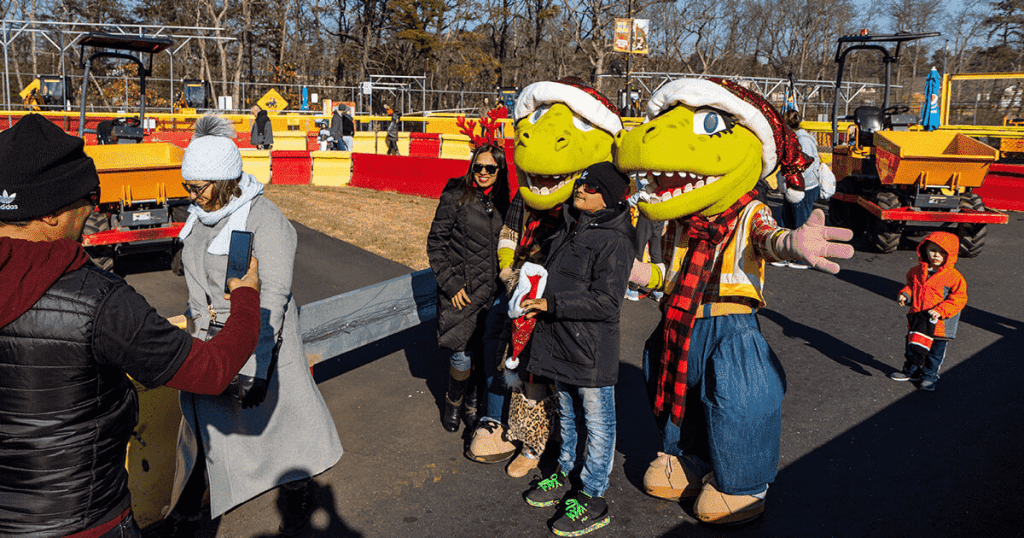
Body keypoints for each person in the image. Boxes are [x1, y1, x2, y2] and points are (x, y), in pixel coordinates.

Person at [0, 114, 262, 537]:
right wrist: (246, 297)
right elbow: (212, 371)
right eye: (88, 198)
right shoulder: (99, 301)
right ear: (49, 211)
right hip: (89, 522)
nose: (91, 210)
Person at [166, 115, 342, 536]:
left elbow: (273, 299)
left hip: (262, 342)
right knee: (202, 429)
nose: (192, 196)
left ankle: (297, 492)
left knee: (282, 427)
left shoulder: (264, 219)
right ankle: (188, 509)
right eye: (188, 186)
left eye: (198, 187)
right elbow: (199, 291)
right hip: (211, 344)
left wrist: (255, 369)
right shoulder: (199, 217)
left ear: (225, 180)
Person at [519, 162, 635, 536]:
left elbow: (607, 302)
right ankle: (565, 472)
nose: (581, 188)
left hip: (590, 349)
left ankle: (593, 496)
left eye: (591, 186)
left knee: (598, 424)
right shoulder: (576, 225)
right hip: (561, 341)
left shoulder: (615, 240)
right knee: (568, 416)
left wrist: (552, 304)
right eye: (582, 182)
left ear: (608, 197)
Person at [427, 144, 511, 434]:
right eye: (478, 166)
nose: (483, 172)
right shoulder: (455, 195)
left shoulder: (504, 203)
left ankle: (474, 405)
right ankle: (453, 403)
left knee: (483, 353)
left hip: (492, 294)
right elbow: (435, 244)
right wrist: (451, 285)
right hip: (461, 291)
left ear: (500, 171)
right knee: (461, 354)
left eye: (490, 168)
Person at [889, 231, 967, 391]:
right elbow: (911, 286)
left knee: (934, 354)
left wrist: (941, 310)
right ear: (924, 250)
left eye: (942, 252)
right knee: (913, 348)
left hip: (940, 325)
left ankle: (929, 377)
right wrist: (905, 294)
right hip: (918, 319)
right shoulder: (916, 271)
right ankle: (911, 371)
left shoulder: (954, 277)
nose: (936, 255)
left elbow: (959, 299)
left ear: (951, 254)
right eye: (933, 250)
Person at [772, 108, 820, 268]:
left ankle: (803, 258)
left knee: (800, 222)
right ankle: (789, 253)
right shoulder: (795, 138)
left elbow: (806, 165)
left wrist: (791, 179)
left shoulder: (803, 140)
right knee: (788, 220)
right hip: (794, 185)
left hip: (803, 187)